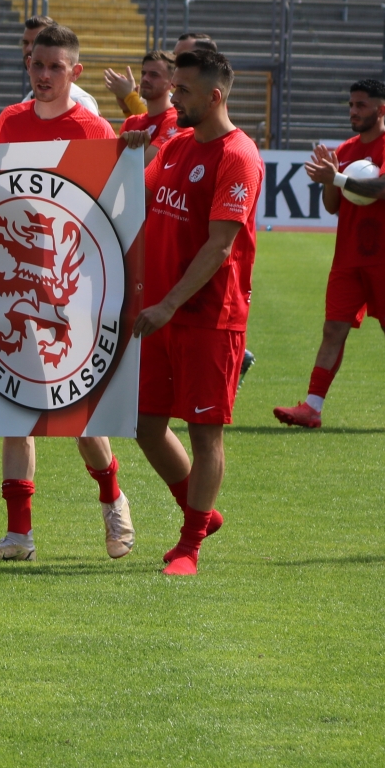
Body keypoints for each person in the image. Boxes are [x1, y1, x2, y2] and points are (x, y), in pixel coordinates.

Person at [0, 24, 133, 562]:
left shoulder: (91, 128)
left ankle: (113, 500)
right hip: (16, 284)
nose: (43, 76)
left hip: (71, 288)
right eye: (37, 66)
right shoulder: (9, 122)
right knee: (13, 413)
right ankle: (19, 536)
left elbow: (111, 212)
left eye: (55, 68)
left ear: (75, 73)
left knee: (78, 417)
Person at [125, 47, 262, 576]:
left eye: (181, 90)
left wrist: (168, 303)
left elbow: (219, 247)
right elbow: (136, 197)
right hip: (159, 310)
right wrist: (132, 157)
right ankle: (200, 513)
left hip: (208, 315)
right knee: (144, 424)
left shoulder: (238, 156)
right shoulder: (178, 143)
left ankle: (190, 546)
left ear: (214, 96)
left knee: (205, 433)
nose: (171, 97)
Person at [274, 80, 385, 431]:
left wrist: (336, 178)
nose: (353, 111)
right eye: (351, 105)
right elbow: (332, 205)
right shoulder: (347, 148)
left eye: (361, 106)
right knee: (332, 329)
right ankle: (312, 406)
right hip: (349, 257)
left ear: (381, 110)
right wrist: (329, 180)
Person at [19, 16, 99, 114]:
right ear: (29, 64)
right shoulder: (24, 104)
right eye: (25, 43)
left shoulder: (81, 103)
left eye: (36, 41)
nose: (29, 49)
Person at [105, 50, 180, 148]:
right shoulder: (130, 122)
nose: (145, 78)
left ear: (172, 82)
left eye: (154, 75)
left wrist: (129, 96)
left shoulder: (175, 120)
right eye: (143, 73)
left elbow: (151, 162)